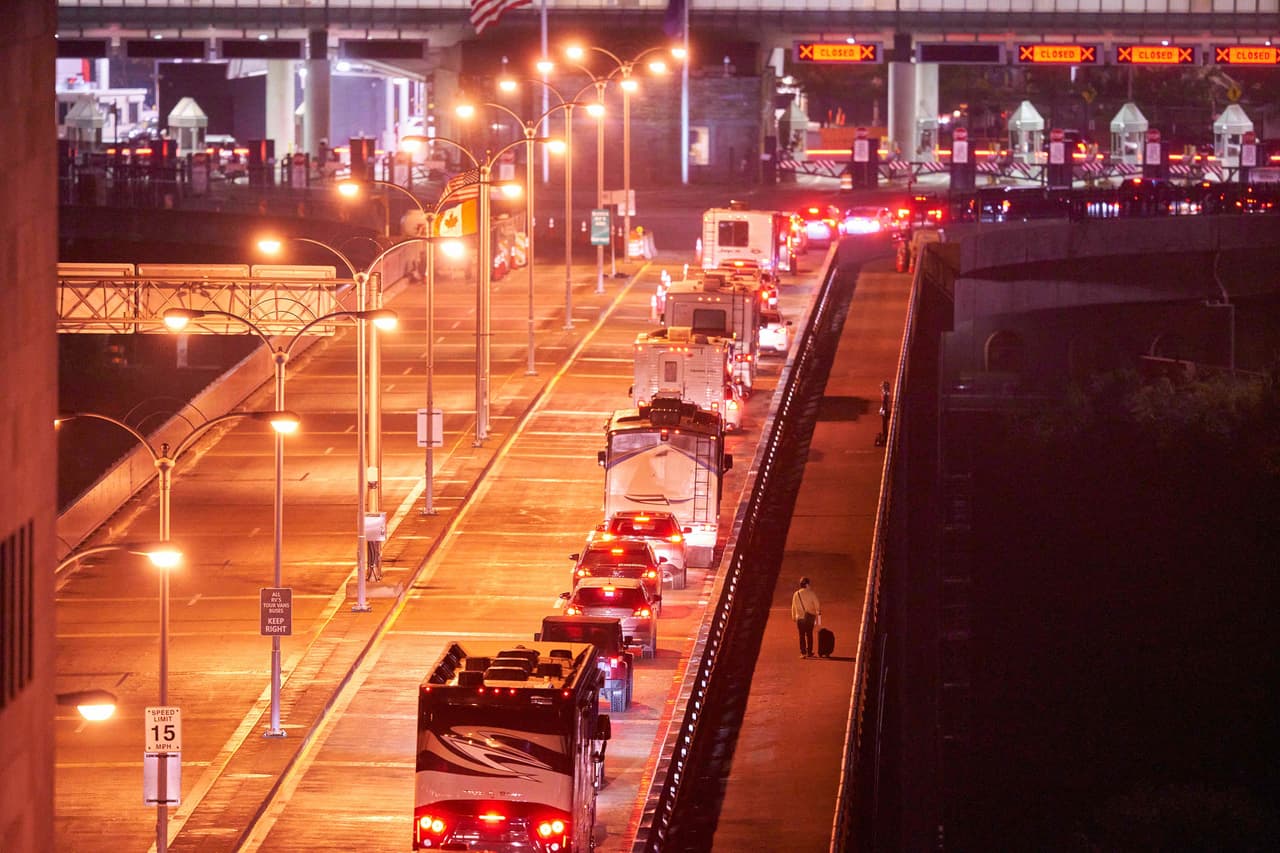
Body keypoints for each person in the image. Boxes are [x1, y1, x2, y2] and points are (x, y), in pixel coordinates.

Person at [790, 577, 821, 658]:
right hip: (810, 617)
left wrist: (794, 617)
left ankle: (803, 653)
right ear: (807, 584)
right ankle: (809, 652)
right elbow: (817, 604)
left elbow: (793, 606)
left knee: (801, 635)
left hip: (799, 618)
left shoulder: (796, 594)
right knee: (809, 634)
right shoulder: (811, 593)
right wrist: (818, 612)